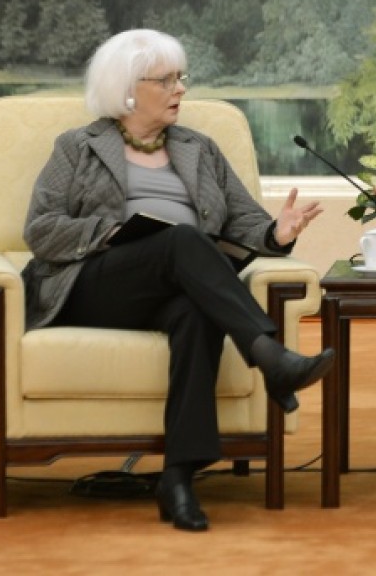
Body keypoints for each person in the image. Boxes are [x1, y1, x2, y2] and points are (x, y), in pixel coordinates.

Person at [21, 28, 336, 532]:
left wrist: (276, 233)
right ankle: (268, 355)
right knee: (184, 240)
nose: (180, 89)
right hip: (95, 285)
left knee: (196, 312)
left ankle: (179, 479)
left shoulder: (199, 148)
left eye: (180, 78)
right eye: (165, 80)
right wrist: (112, 232)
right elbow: (40, 229)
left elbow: (245, 220)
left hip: (174, 286)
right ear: (128, 89)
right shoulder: (77, 147)